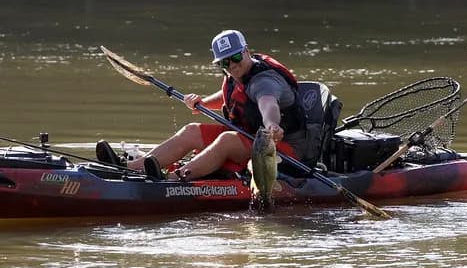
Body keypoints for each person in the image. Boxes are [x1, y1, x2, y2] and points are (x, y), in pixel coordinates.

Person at [96, 29, 308, 181]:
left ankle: (172, 179)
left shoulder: (265, 82)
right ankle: (131, 168)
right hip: (248, 137)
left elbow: (267, 104)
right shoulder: (237, 73)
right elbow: (233, 96)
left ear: (246, 51)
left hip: (281, 147)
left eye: (235, 57)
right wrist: (203, 103)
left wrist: (272, 124)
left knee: (226, 139)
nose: (231, 65)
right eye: (224, 62)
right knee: (191, 131)